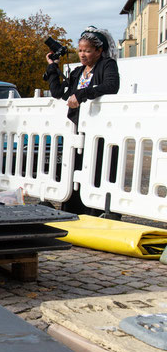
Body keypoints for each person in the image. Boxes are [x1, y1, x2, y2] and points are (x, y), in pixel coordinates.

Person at [44, 26, 120, 215]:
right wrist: (52, 66)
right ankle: (75, 211)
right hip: (78, 132)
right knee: (76, 172)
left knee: (96, 172)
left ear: (99, 51)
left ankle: (97, 213)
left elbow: (112, 86)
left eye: (87, 50)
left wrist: (82, 93)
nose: (82, 54)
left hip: (98, 132)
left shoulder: (107, 64)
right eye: (80, 50)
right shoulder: (78, 72)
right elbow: (58, 92)